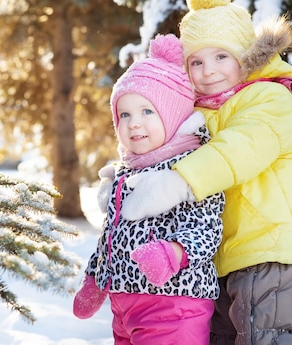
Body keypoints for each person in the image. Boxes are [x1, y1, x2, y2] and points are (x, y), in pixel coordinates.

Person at [121, 0, 292, 345]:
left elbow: (239, 148)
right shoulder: (206, 110)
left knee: (262, 337)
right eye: (196, 61)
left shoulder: (270, 97)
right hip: (224, 257)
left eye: (222, 56)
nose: (208, 71)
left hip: (271, 249)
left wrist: (178, 181)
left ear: (246, 56)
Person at [72, 33, 225, 345]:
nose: (134, 124)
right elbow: (111, 236)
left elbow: (207, 228)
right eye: (124, 114)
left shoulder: (188, 168)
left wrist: (173, 254)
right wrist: (95, 278)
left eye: (147, 112)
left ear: (171, 113)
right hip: (124, 307)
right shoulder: (124, 174)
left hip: (174, 305)